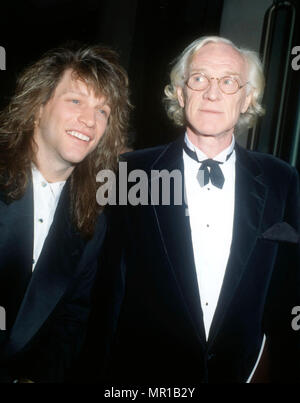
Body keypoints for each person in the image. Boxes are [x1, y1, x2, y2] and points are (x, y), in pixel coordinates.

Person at [101, 36, 300, 384]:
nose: (212, 93)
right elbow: (104, 292)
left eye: (228, 82)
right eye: (199, 79)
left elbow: (288, 289)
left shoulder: (281, 179)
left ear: (247, 98)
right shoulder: (129, 174)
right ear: (181, 93)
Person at [0, 43, 130, 383]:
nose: (89, 120)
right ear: (37, 108)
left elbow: (72, 320)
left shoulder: (91, 218)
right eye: (76, 101)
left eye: (103, 111)